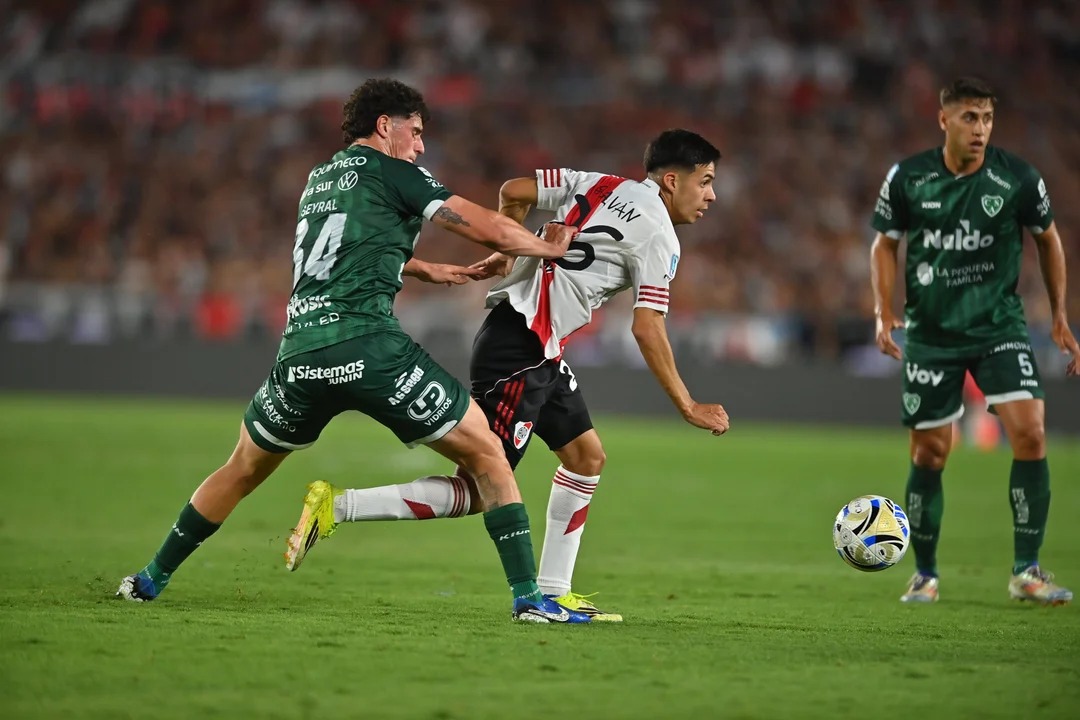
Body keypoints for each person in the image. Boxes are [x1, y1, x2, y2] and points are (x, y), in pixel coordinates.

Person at [117, 78, 592, 624]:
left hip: (300, 353)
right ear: (385, 126)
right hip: (368, 347)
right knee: (488, 455)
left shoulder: (319, 181)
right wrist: (545, 245)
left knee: (243, 467)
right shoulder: (395, 171)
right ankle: (530, 598)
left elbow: (339, 251)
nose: (419, 147)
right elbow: (483, 226)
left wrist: (417, 267)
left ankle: (149, 578)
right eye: (414, 133)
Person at [289, 129, 731, 621]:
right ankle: (339, 507)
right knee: (481, 487)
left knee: (586, 456)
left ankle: (555, 590)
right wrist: (687, 405)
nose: (711, 195)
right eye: (706, 182)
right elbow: (647, 327)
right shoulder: (660, 238)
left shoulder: (600, 183)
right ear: (672, 180)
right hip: (518, 348)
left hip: (534, 345)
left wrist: (507, 251)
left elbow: (514, 190)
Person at [869, 77, 1079, 605]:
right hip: (931, 334)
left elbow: (1048, 241)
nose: (980, 128)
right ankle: (925, 573)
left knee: (1030, 433)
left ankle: (1026, 571)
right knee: (930, 454)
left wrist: (1058, 317)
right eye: (969, 117)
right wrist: (882, 312)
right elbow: (884, 245)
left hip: (998, 328)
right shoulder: (909, 177)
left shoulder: (1017, 178)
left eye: (986, 118)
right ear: (944, 120)